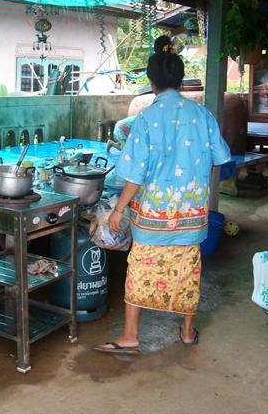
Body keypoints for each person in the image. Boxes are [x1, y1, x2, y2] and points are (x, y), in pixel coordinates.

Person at [93, 35, 231, 355]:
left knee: (140, 270)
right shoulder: (203, 116)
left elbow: (134, 174)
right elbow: (222, 159)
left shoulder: (146, 118)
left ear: (152, 82)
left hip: (152, 219)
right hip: (191, 218)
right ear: (180, 79)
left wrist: (117, 211)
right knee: (187, 272)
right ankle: (185, 332)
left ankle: (130, 335)